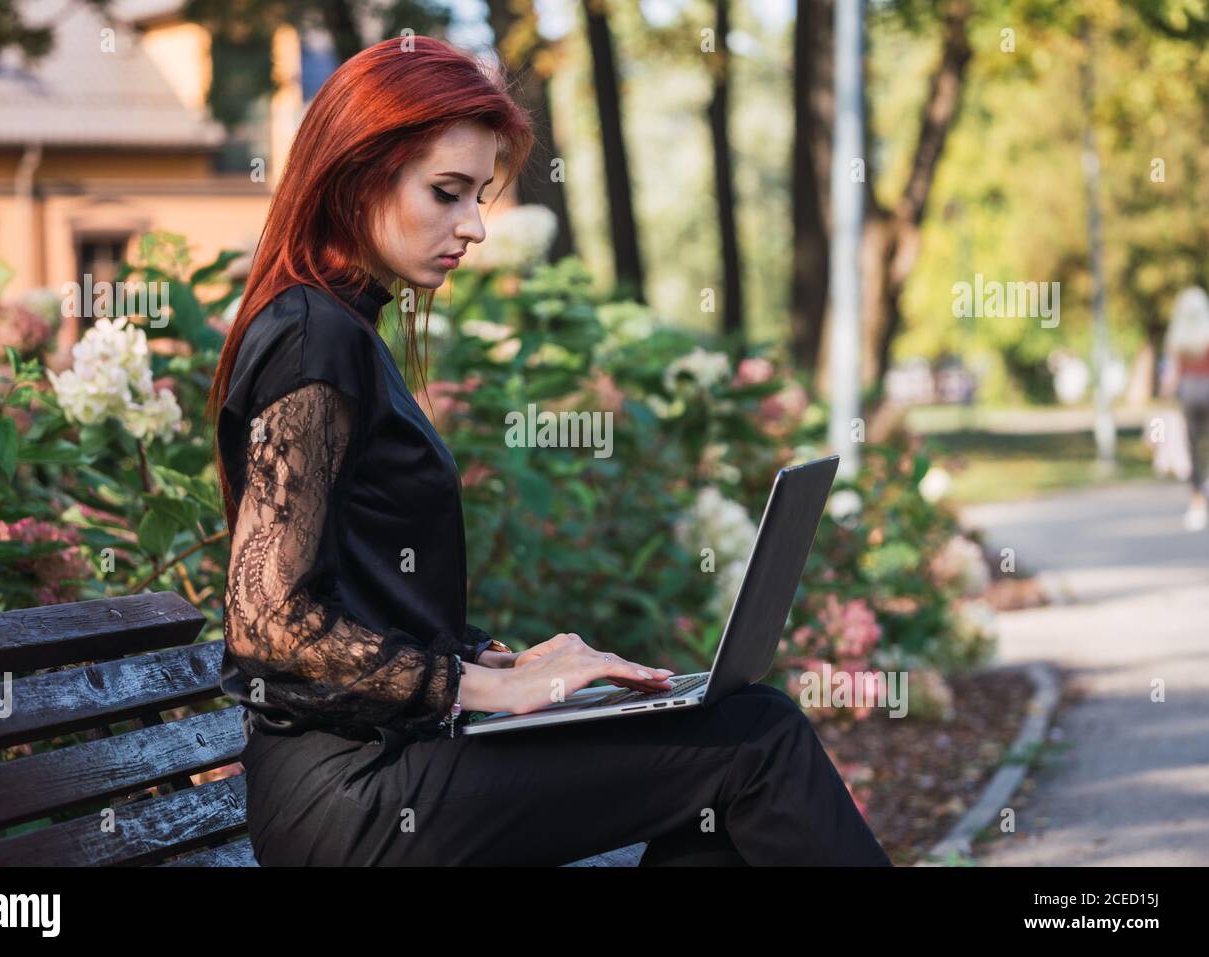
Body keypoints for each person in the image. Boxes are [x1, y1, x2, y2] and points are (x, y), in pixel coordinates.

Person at [205, 35, 891, 867]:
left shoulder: (340, 327)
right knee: (758, 739)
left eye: (479, 196)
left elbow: (359, 588)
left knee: (718, 765)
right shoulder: (314, 335)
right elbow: (268, 620)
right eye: (447, 193)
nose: (475, 226)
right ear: (356, 173)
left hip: (385, 770)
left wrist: (502, 658)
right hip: (357, 802)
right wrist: (481, 687)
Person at [1159, 286, 1209, 531]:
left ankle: (1197, 500)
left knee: (1194, 449)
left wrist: (1165, 395)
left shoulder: (1177, 341)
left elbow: (1170, 377)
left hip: (1189, 393)